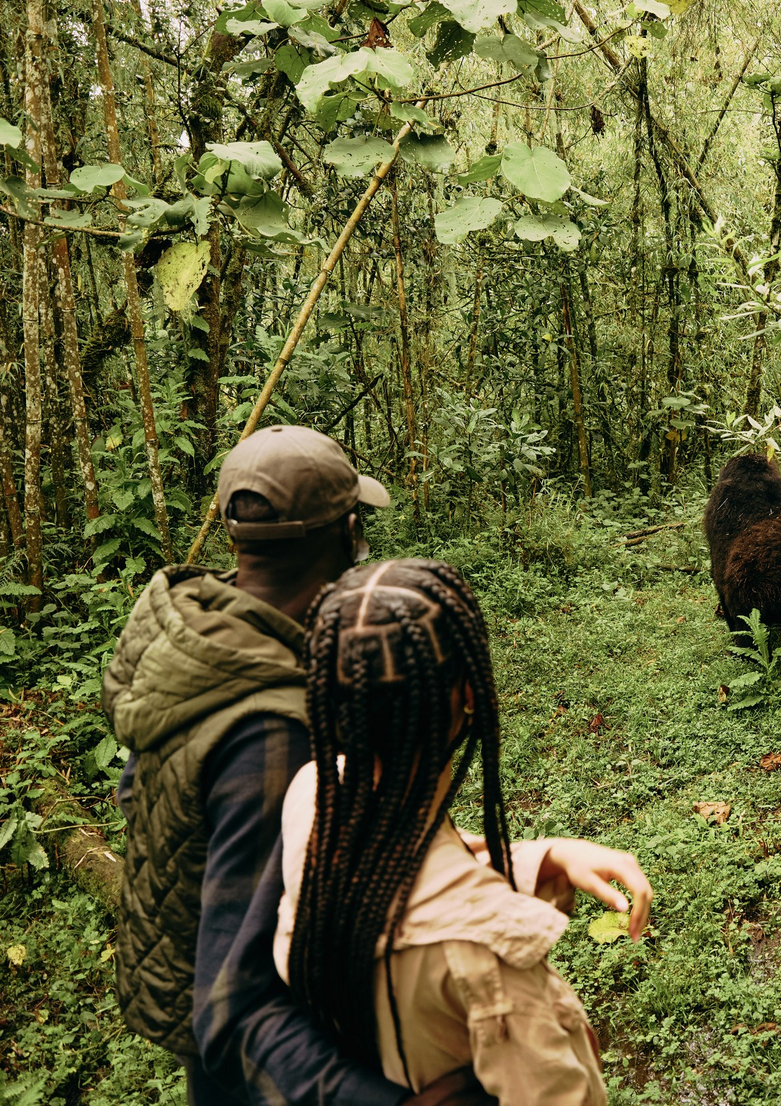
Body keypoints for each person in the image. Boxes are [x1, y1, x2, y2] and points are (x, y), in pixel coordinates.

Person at [104, 426, 648, 1105]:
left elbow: (340, 861)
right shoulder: (276, 738)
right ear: (349, 533)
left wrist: (532, 859)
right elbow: (232, 1007)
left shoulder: (193, 638)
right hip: (273, 1076)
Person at [273, 559, 646, 1103]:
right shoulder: (486, 958)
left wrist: (544, 857)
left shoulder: (315, 796)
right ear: (470, 692)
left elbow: (414, 869)